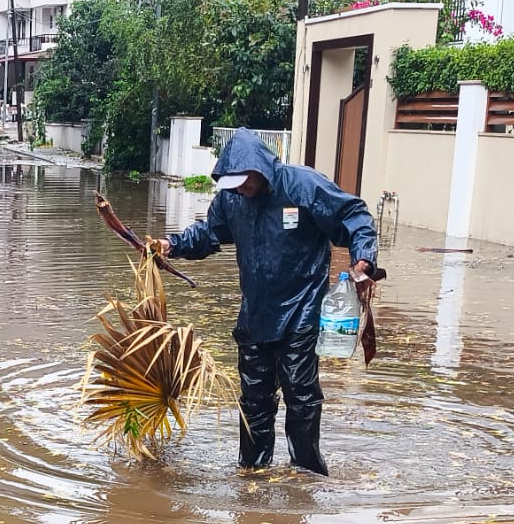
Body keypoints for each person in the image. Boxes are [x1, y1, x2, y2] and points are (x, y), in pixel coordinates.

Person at [149, 128, 378, 475]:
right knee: (254, 400)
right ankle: (253, 472)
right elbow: (210, 233)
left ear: (261, 169)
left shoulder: (302, 186)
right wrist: (172, 244)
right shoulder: (232, 200)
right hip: (256, 315)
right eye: (235, 184)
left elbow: (355, 217)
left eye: (245, 182)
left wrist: (363, 259)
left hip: (302, 310)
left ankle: (306, 474)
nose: (242, 189)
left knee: (301, 397)